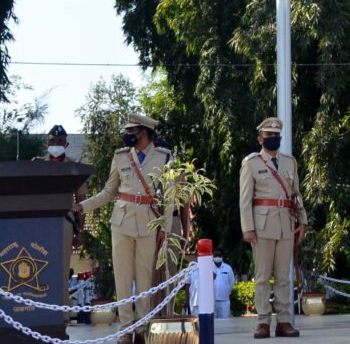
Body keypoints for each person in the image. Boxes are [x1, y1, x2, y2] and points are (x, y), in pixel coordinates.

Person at [75, 114, 176, 344]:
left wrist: (165, 229)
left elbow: (170, 198)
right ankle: (125, 328)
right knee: (122, 278)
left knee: (144, 278)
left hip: (149, 222)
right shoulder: (121, 157)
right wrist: (82, 206)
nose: (128, 135)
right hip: (121, 222)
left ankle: (141, 328)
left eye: (133, 131)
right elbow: (109, 192)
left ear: (145, 132)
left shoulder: (164, 157)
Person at [239, 117, 307, 339]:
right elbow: (245, 200)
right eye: (269, 136)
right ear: (260, 138)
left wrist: (302, 221)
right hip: (262, 224)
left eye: (277, 136)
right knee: (262, 276)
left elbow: (296, 194)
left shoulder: (290, 162)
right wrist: (247, 228)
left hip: (286, 223)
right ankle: (263, 322)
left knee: (283, 277)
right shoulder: (251, 163)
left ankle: (284, 321)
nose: (273, 140)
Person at [32, 124, 88, 306]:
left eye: (60, 141)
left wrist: (80, 231)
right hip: (41, 224)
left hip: (64, 222)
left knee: (62, 270)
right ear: (47, 142)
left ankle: (61, 315)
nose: (56, 144)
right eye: (53, 141)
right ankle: (41, 310)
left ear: (66, 144)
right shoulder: (37, 165)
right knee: (39, 267)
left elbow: (81, 200)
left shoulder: (74, 167)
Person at [189, 248, 235, 318]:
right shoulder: (208, 267)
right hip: (211, 300)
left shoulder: (228, 268)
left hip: (224, 300)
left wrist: (226, 292)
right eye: (215, 255)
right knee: (213, 321)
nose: (217, 257)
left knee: (225, 321)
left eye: (219, 255)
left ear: (222, 256)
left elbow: (231, 282)